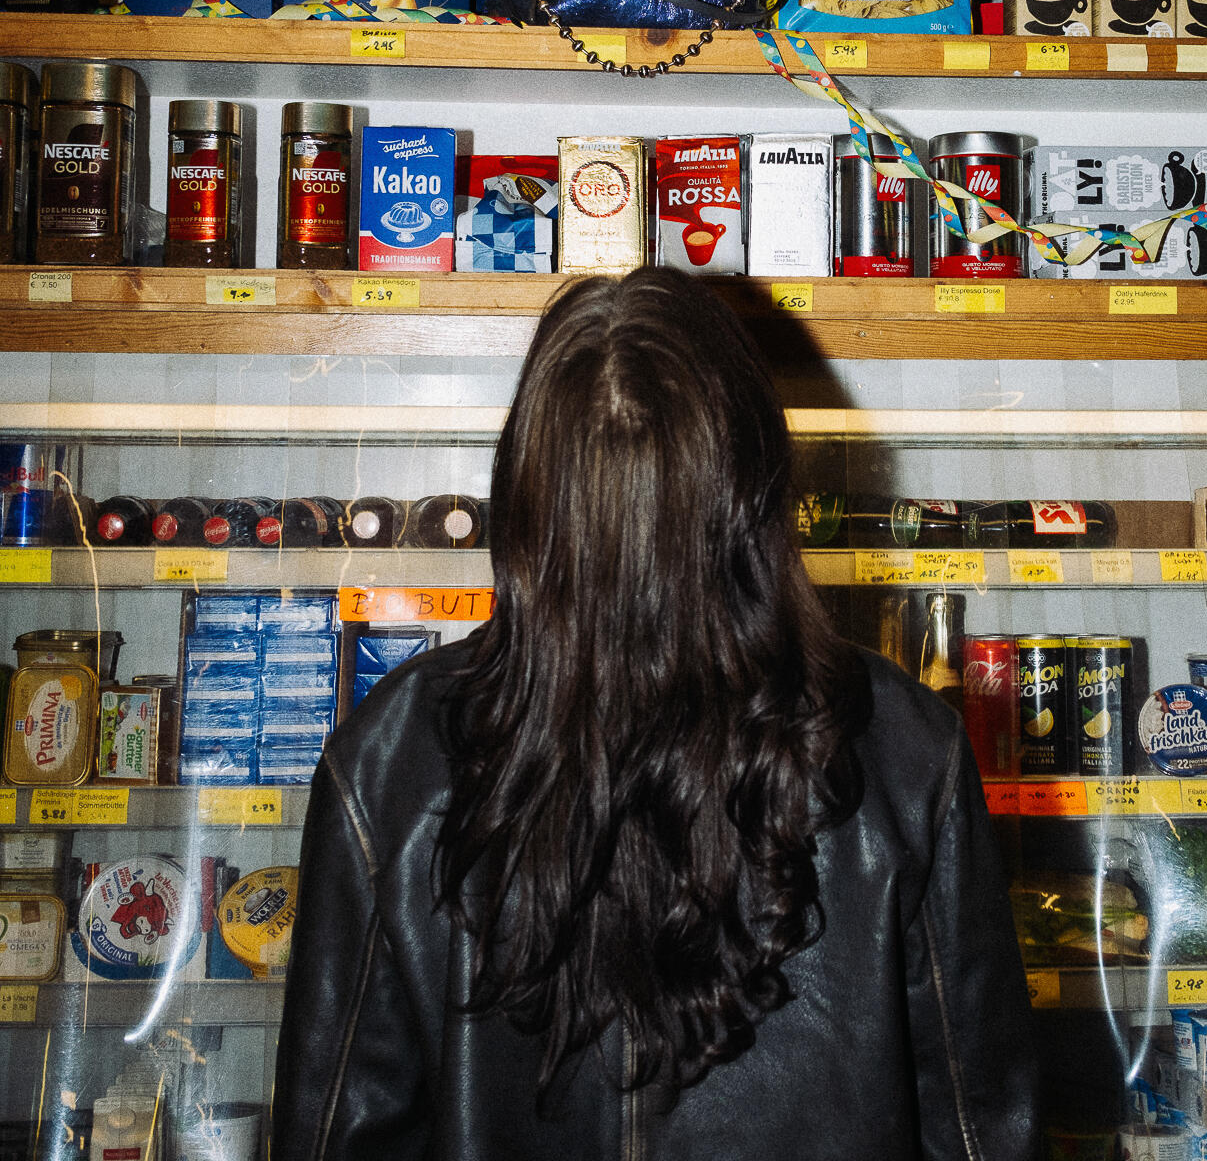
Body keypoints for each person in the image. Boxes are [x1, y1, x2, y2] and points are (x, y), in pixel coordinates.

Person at [272, 268, 1038, 1161]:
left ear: (523, 490)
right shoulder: (906, 747)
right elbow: (978, 1124)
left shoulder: (391, 754)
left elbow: (337, 1130)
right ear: (756, 482)